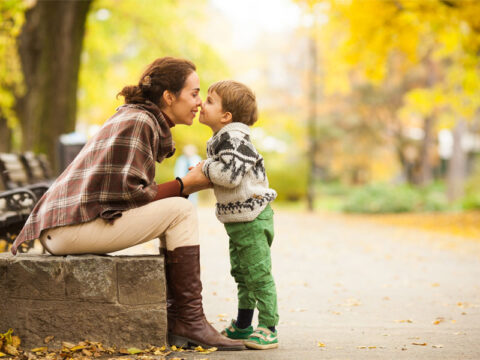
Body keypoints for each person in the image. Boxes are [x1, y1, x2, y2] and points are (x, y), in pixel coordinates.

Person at [10, 57, 245, 351]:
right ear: (169, 97)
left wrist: (184, 185)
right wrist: (186, 185)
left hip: (65, 227)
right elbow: (132, 196)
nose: (198, 102)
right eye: (194, 93)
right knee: (182, 210)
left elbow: (126, 194)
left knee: (179, 209)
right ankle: (189, 321)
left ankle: (185, 319)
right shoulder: (140, 121)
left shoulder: (138, 116)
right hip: (67, 229)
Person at [197, 80, 279, 350]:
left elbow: (230, 176)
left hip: (254, 219)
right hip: (239, 220)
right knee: (242, 273)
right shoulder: (222, 139)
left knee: (258, 274)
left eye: (209, 100)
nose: (201, 104)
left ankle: (268, 326)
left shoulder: (235, 139)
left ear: (226, 116)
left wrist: (205, 167)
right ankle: (243, 324)